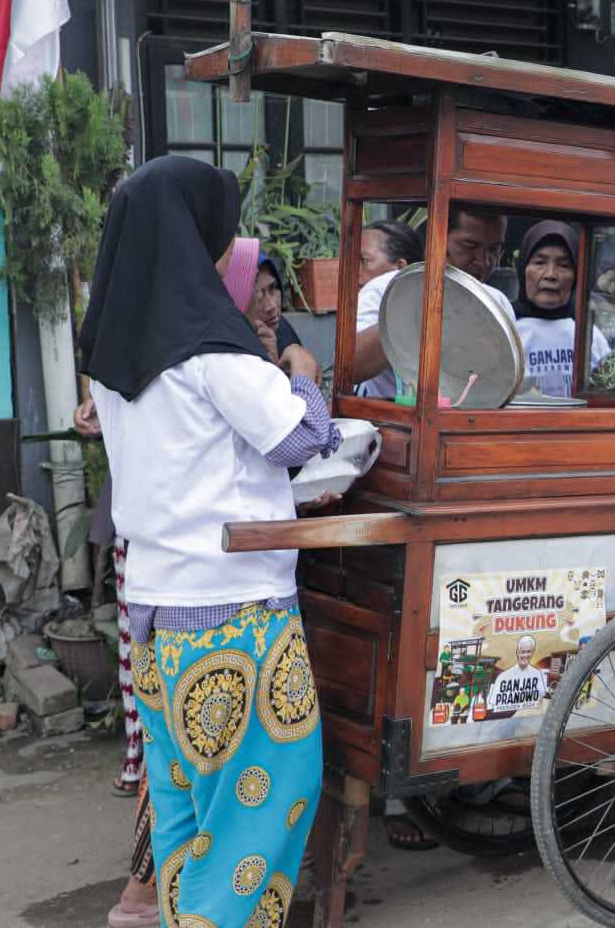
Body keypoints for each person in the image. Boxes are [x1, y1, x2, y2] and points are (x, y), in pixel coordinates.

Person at [79, 155, 340, 928]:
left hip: (156, 620)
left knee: (188, 819)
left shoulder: (112, 356)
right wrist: (300, 366)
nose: (229, 254)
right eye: (221, 236)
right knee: (260, 817)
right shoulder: (211, 351)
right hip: (237, 619)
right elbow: (305, 437)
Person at [351, 210, 518, 398]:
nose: (484, 261)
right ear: (437, 238)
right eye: (469, 246)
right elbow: (351, 368)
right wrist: (412, 305)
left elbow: (508, 382)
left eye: (494, 249)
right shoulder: (386, 289)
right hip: (389, 420)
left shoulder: (497, 302)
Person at [512, 219, 611, 397]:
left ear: (576, 276)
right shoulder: (507, 328)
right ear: (522, 269)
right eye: (539, 263)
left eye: (563, 265)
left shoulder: (590, 336)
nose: (551, 275)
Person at [352, 220, 425, 398]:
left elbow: (350, 365)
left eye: (364, 261)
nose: (352, 271)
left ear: (400, 268)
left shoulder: (379, 288)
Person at [252, 255, 302, 356]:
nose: (270, 306)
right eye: (257, 295)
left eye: (272, 288)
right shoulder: (230, 353)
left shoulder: (283, 331)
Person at [487, 636, 548, 713]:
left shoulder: (537, 674)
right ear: (517, 652)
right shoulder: (503, 676)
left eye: (528, 652)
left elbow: (542, 697)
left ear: (532, 653)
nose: (525, 655)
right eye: (522, 651)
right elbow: (493, 704)